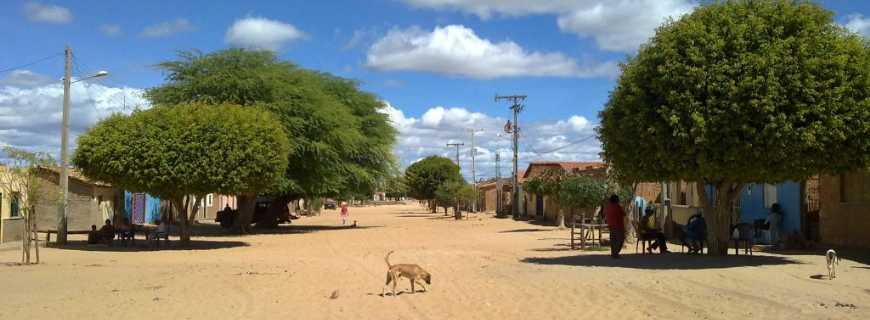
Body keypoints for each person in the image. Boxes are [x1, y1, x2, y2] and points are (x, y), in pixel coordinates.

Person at [604, 194, 626, 259]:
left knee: (613, 240)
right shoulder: (618, 207)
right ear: (617, 200)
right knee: (620, 240)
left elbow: (605, 214)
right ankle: (615, 253)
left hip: (611, 226)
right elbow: (624, 214)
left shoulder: (608, 207)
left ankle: (613, 253)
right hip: (618, 226)